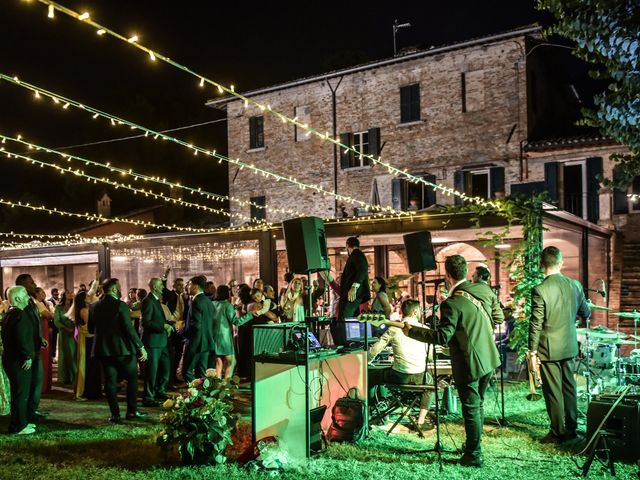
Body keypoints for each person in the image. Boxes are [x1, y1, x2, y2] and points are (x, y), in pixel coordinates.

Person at [403, 255, 503, 468]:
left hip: (471, 363)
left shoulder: (452, 303)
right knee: (478, 405)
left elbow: (442, 337)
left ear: (447, 275)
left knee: (471, 408)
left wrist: (413, 331)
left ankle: (474, 455)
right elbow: (497, 318)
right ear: (466, 271)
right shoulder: (482, 291)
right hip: (489, 358)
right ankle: (472, 447)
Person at [528, 246, 591, 444]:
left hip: (549, 348)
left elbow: (536, 323)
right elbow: (586, 313)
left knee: (553, 391)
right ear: (561, 263)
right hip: (569, 345)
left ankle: (557, 432)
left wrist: (532, 350)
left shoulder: (540, 290)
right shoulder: (575, 285)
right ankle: (572, 429)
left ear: (541, 265)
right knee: (569, 387)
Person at [368, 299, 433, 431]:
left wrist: (367, 360)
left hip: (398, 376)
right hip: (419, 377)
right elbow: (430, 358)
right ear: (415, 312)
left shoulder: (393, 328)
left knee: (369, 377)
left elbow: (375, 350)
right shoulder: (426, 330)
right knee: (430, 384)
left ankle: (373, 412)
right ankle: (420, 421)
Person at [89, 278, 148, 423]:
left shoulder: (94, 306)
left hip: (103, 350)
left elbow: (91, 329)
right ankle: (132, 412)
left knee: (110, 382)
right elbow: (128, 329)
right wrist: (141, 347)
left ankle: (115, 414)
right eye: (119, 287)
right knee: (132, 379)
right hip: (123, 350)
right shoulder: (120, 305)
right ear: (115, 289)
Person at [2, 286, 38, 434]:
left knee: (19, 393)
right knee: (20, 394)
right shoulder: (19, 315)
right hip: (19, 361)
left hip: (11, 360)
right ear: (17, 299)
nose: (28, 297)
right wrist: (27, 356)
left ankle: (21, 422)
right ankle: (18, 426)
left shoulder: (10, 314)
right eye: (25, 295)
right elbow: (21, 338)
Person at [15, 274, 48, 422]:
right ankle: (26, 414)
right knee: (29, 384)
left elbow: (34, 325)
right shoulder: (20, 305)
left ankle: (32, 410)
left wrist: (40, 338)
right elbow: (23, 330)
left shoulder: (32, 302)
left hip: (35, 348)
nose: (34, 284)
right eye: (31, 282)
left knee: (37, 382)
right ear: (22, 285)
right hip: (28, 351)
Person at [210, 285, 255, 378]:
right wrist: (250, 315)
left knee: (219, 362)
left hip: (213, 336)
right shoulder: (228, 306)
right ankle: (225, 386)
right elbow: (237, 322)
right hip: (224, 338)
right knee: (232, 362)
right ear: (227, 293)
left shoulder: (212, 304)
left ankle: (217, 386)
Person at [332, 236, 371, 346]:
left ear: (347, 246)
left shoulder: (357, 254)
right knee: (352, 319)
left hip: (352, 294)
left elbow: (363, 269)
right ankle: (352, 343)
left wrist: (354, 287)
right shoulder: (357, 255)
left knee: (344, 319)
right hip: (354, 294)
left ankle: (343, 345)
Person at [141, 277, 173, 406]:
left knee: (166, 369)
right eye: (161, 285)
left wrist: (167, 326)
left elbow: (157, 319)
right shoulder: (148, 301)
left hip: (162, 341)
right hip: (153, 343)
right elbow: (146, 322)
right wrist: (163, 326)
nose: (163, 287)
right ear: (154, 287)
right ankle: (148, 397)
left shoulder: (156, 301)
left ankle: (160, 390)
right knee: (151, 372)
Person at [182, 275, 215, 382]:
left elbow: (196, 325)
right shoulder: (208, 301)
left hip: (195, 342)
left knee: (186, 371)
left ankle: (194, 394)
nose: (187, 287)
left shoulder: (196, 301)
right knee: (201, 373)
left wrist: (182, 331)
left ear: (196, 286)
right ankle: (203, 396)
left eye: (189, 284)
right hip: (206, 342)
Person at [161, 269, 186, 384]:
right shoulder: (170, 294)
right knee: (170, 353)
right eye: (179, 285)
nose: (181, 287)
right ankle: (169, 377)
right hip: (171, 326)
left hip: (181, 328)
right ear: (174, 285)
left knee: (179, 353)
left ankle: (174, 374)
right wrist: (165, 276)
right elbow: (163, 287)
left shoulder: (185, 298)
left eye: (182, 285)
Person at [53, 290, 77, 385]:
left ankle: (75, 377)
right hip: (64, 333)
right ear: (63, 296)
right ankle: (66, 377)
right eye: (68, 293)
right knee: (66, 355)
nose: (71, 294)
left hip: (75, 333)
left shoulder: (75, 306)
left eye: (71, 293)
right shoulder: (58, 307)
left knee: (74, 355)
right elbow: (56, 321)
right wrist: (66, 328)